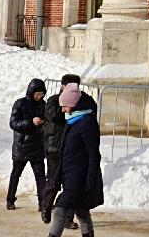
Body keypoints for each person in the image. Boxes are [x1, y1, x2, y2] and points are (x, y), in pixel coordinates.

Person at [47, 76, 103, 236]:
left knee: (60, 209)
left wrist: (90, 179)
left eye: (64, 106)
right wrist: (58, 176)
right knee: (82, 212)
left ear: (72, 105)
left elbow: (93, 154)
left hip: (80, 178)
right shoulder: (72, 121)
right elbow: (66, 153)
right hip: (70, 176)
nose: (63, 110)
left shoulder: (87, 124)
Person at [40, 73, 96, 221]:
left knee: (71, 185)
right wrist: (68, 106)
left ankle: (68, 218)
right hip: (55, 147)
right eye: (69, 87)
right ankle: (46, 207)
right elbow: (53, 116)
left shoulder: (81, 100)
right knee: (53, 180)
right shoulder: (54, 100)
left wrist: (78, 103)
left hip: (73, 150)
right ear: (62, 86)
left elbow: (92, 108)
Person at [6, 77, 49, 212]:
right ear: (31, 92)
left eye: (41, 94)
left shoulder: (43, 105)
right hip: (22, 147)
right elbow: (13, 123)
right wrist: (31, 122)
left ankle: (42, 203)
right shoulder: (20, 104)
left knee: (41, 176)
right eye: (37, 94)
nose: (39, 96)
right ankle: (10, 200)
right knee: (15, 174)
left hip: (37, 146)